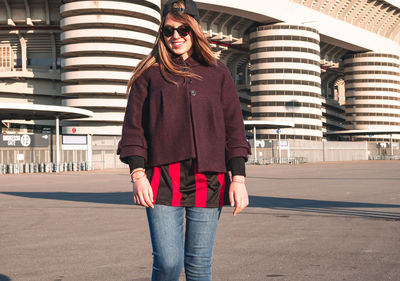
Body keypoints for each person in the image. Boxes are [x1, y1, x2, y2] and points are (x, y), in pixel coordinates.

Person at [118, 0, 250, 280]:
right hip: (162, 179)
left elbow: (234, 128)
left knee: (199, 267)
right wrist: (137, 173)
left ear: (194, 30)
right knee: (168, 263)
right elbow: (133, 128)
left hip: (208, 179)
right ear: (161, 34)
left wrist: (238, 178)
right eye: (168, 31)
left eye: (182, 29)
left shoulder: (218, 72)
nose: (175, 36)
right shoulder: (149, 74)